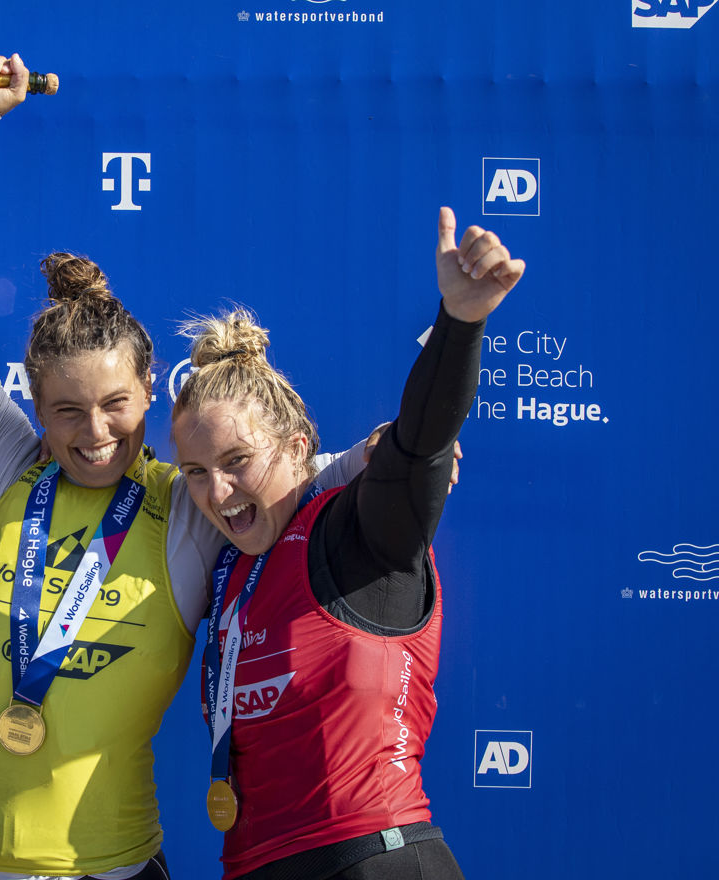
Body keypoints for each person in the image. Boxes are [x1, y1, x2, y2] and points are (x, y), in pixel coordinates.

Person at [0, 53, 370, 880]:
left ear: (152, 388)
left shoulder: (187, 506)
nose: (95, 434)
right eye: (66, 411)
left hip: (110, 868)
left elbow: (300, 479)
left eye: (116, 404)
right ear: (31, 402)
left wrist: (395, 453)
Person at [171, 207, 523, 880]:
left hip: (374, 859)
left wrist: (460, 322)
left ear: (297, 447)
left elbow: (418, 446)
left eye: (237, 461)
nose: (216, 492)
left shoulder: (358, 532)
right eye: (195, 471)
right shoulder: (231, 569)